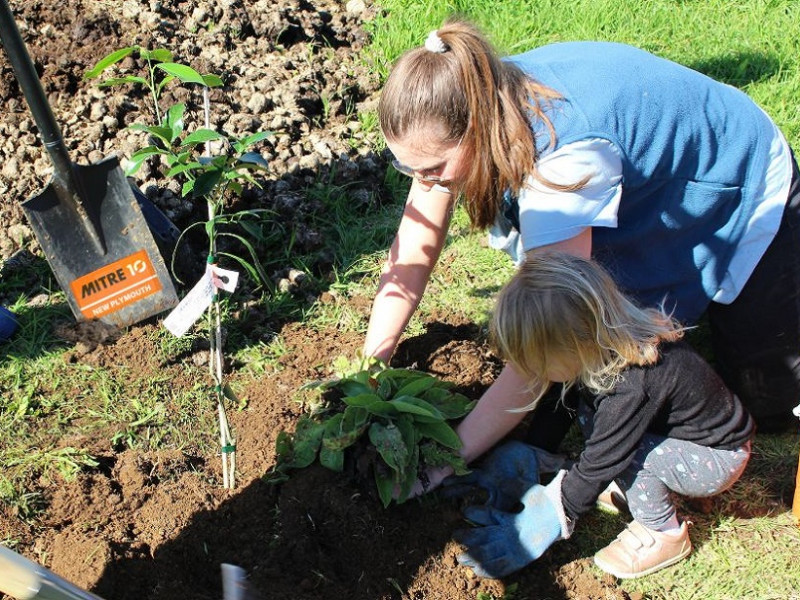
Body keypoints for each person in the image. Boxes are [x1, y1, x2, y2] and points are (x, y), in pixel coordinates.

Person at [363, 18, 799, 481]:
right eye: (410, 169)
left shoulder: (563, 162)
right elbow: (416, 242)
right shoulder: (469, 89)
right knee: (600, 308)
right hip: (636, 183)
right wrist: (372, 362)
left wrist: (451, 458)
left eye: (432, 169)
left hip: (737, 183)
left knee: (765, 400)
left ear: (474, 127)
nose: (425, 182)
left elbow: (550, 330)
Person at [453, 251, 754, 579]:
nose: (530, 370)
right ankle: (622, 488)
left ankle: (663, 533)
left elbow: (603, 459)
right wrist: (532, 451)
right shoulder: (598, 346)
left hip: (716, 457)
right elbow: (562, 397)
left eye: (536, 362)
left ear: (575, 345)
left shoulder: (634, 384)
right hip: (671, 437)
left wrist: (548, 519)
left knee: (631, 454)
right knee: (593, 418)